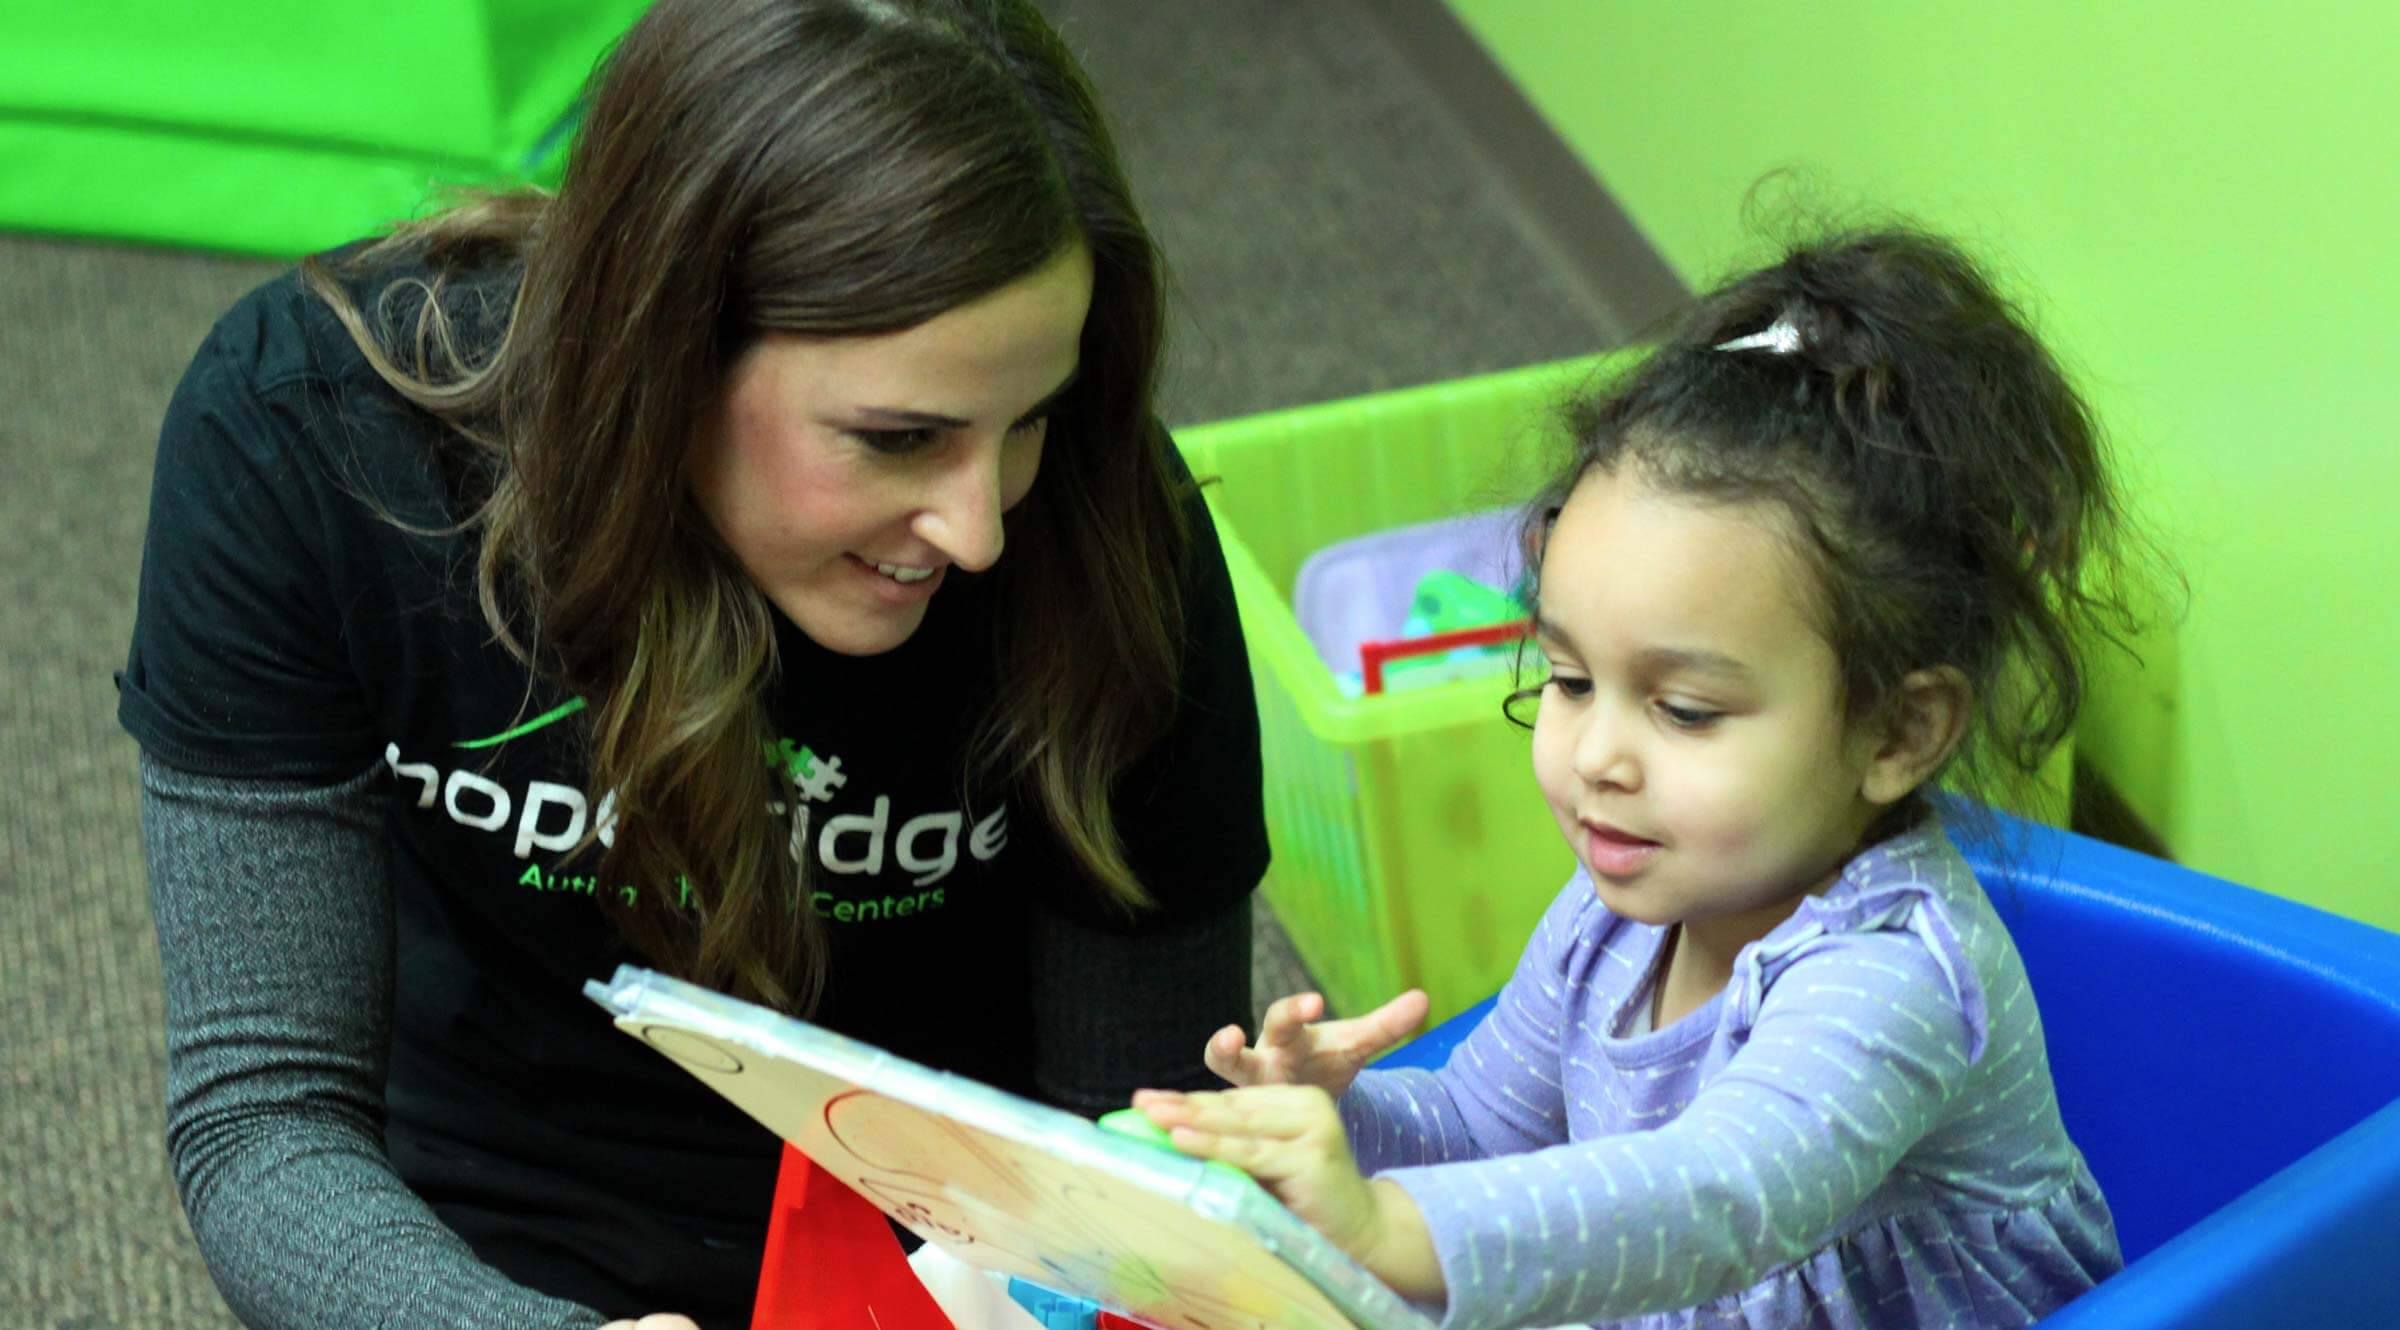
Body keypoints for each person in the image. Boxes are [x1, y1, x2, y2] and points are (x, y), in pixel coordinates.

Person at [117, 2, 1269, 1326]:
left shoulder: (1104, 520)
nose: (979, 526)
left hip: (951, 1258)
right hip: (478, 1245)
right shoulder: (307, 442)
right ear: (658, 350)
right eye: (898, 437)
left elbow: (1126, 1135)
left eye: (1030, 421)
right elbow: (262, 1119)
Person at [1135, 229, 2136, 1328]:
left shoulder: (1894, 975)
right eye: (1568, 678)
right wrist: (1341, 1118)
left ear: (1898, 730)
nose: (1598, 756)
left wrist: (1388, 1231)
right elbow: (1479, 1130)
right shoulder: (1619, 908)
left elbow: (1722, 1195)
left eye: (1685, 708)